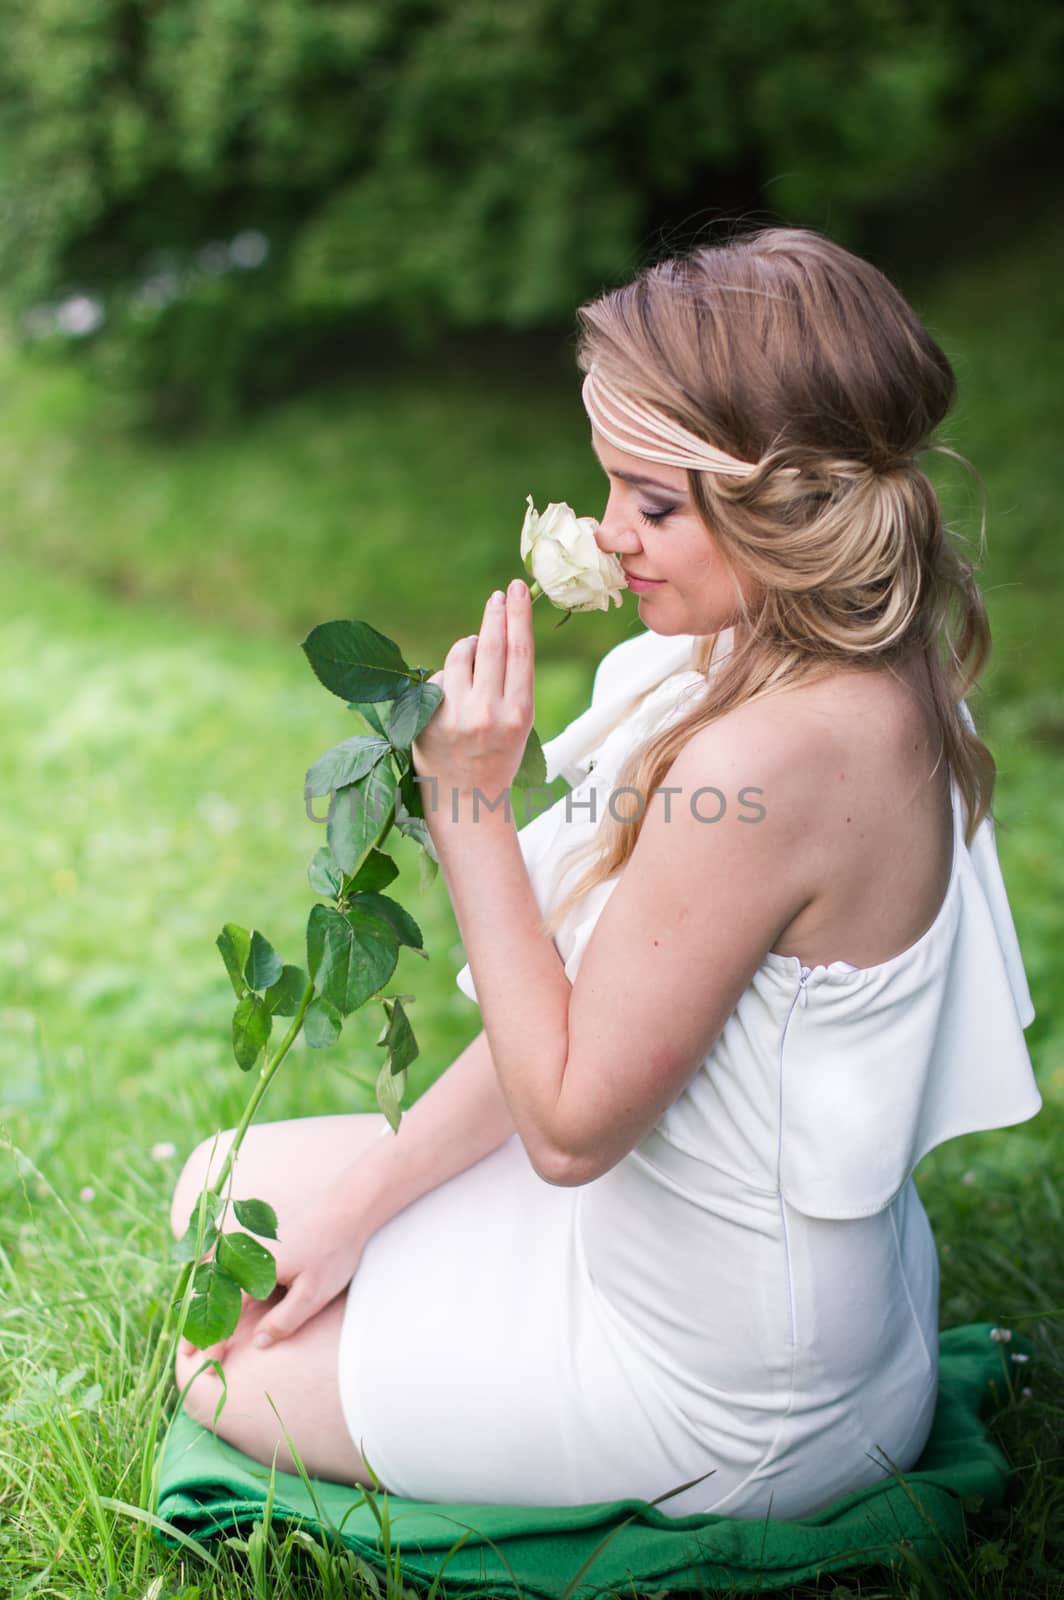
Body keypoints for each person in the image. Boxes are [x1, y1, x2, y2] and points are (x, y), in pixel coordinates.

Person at [170, 224, 1041, 1519]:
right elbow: (597, 995)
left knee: (218, 1371)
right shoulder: (827, 654)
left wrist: (467, 804)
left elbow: (573, 1126)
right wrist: (365, 1207)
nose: (608, 534)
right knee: (231, 1197)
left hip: (731, 1395)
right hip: (760, 1286)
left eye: (655, 502)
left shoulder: (776, 756)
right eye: (609, 490)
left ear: (782, 495)